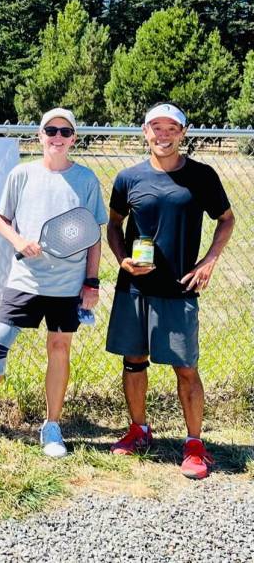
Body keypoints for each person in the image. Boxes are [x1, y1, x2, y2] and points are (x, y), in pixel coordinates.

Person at [0, 108, 106, 457]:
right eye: (51, 130)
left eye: (64, 132)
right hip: (25, 280)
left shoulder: (87, 180)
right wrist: (18, 242)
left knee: (59, 349)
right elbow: (1, 220)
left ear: (73, 138)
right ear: (40, 135)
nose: (57, 137)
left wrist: (91, 282)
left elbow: (93, 236)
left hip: (66, 285)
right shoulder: (22, 174)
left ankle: (52, 427)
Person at [105, 103, 234, 480]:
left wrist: (208, 261)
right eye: (155, 128)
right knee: (133, 362)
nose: (163, 135)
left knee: (185, 369)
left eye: (171, 128)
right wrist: (122, 260)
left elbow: (226, 220)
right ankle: (139, 431)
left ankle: (194, 445)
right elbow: (114, 225)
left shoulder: (202, 176)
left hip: (179, 289)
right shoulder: (128, 178)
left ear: (183, 133)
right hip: (134, 288)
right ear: (145, 133)